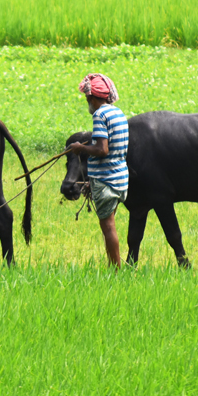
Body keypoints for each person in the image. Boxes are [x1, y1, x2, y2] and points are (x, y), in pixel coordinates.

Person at [66, 73, 129, 268]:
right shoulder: (118, 113)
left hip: (106, 180)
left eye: (87, 99)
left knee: (108, 226)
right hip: (120, 178)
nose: (88, 103)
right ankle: (115, 265)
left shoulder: (100, 115)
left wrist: (80, 148)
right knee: (111, 223)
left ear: (93, 98)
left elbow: (102, 149)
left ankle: (115, 270)